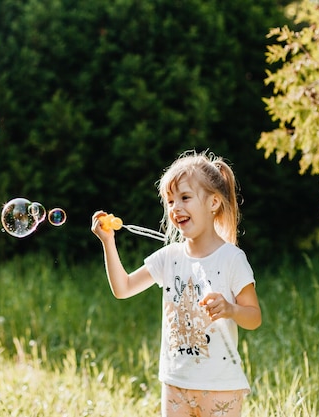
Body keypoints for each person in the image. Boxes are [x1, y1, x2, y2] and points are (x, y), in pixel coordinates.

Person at [91, 149, 261, 417]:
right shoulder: (169, 257)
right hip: (175, 384)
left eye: (184, 197)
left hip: (221, 387)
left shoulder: (231, 258)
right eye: (170, 201)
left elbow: (254, 317)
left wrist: (229, 309)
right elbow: (123, 289)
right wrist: (108, 243)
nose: (175, 208)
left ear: (213, 202)